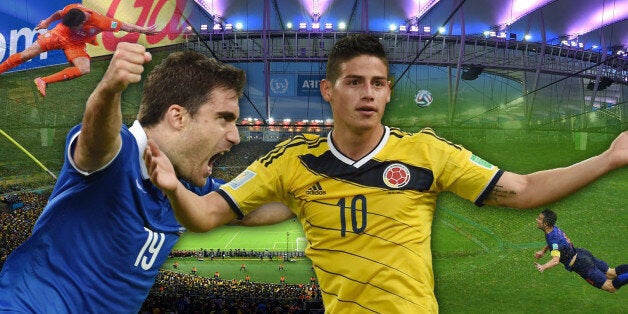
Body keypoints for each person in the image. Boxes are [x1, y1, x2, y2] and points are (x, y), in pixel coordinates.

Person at [144, 34, 628, 313]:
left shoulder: (427, 152)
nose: (367, 93)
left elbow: (521, 190)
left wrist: (607, 158)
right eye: (354, 82)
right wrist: (170, 185)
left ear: (389, 92)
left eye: (377, 83)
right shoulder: (291, 160)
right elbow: (208, 213)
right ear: (329, 90)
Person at [0, 42, 250, 312]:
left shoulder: (189, 188)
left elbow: (259, 204)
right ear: (178, 117)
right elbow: (98, 142)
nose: (235, 137)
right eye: (224, 118)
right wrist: (109, 91)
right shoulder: (120, 152)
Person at [0, 3, 159, 96]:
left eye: (75, 27)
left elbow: (125, 26)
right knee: (27, 54)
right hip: (58, 33)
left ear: (83, 22)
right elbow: (58, 14)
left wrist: (145, 30)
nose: (73, 28)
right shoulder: (73, 10)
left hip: (76, 44)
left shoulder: (101, 22)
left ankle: (43, 81)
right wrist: (47, 22)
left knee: (84, 69)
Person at [534, 209, 627, 292]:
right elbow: (554, 244)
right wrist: (543, 251)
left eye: (539, 218)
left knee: (610, 286)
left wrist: (543, 267)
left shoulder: (553, 239)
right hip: (581, 253)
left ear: (546, 224)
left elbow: (555, 260)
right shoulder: (553, 229)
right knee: (611, 273)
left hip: (581, 264)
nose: (536, 220)